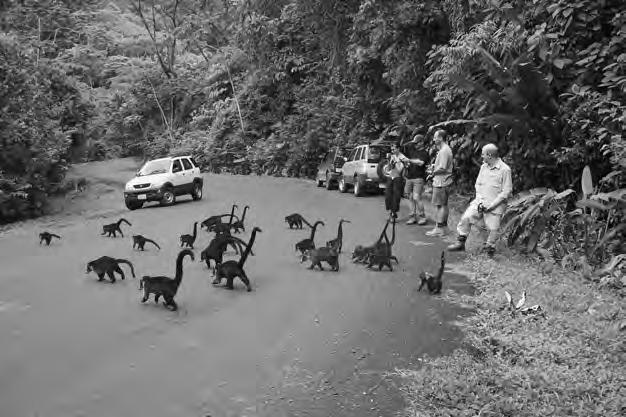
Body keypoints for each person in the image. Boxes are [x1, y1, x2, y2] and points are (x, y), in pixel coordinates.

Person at [447, 143, 512, 256]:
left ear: (489, 155)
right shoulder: (483, 167)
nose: (481, 156)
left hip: (495, 204)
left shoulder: (505, 169)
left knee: (493, 229)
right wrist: (480, 200)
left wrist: (492, 205)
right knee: (466, 218)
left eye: (483, 154)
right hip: (480, 202)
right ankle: (460, 242)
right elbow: (478, 184)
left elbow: (506, 191)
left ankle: (489, 250)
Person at [425, 129, 454, 237]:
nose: (433, 139)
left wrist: (432, 172)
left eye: (435, 137)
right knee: (443, 204)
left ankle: (439, 228)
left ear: (441, 138)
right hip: (444, 181)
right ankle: (444, 228)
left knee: (440, 205)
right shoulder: (445, 149)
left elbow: (442, 168)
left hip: (441, 182)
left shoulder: (444, 151)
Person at [401, 134, 429, 225]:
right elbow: (403, 147)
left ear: (422, 143)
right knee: (410, 198)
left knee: (416, 197)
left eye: (417, 143)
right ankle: (412, 217)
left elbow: (420, 163)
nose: (415, 145)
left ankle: (422, 217)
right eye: (414, 143)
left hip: (418, 178)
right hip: (409, 177)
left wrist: (409, 160)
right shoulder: (412, 151)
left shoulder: (424, 153)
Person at [383, 142, 406, 219]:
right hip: (391, 176)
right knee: (388, 195)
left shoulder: (402, 157)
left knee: (396, 196)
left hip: (398, 178)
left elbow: (400, 170)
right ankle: (390, 211)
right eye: (391, 149)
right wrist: (389, 161)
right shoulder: (392, 156)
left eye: (394, 149)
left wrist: (396, 161)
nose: (392, 151)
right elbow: (389, 169)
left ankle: (393, 212)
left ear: (398, 149)